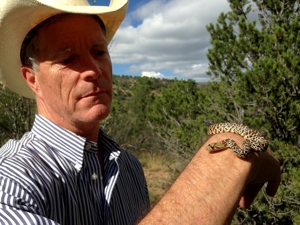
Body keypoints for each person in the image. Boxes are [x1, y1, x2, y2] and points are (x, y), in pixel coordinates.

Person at [0, 0, 281, 224]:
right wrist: (228, 160)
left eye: (99, 52)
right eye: (69, 58)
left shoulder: (130, 167)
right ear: (32, 79)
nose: (94, 70)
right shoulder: (11, 182)